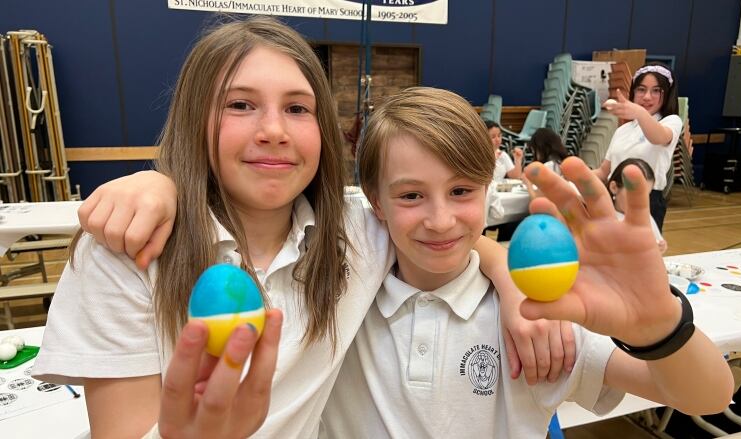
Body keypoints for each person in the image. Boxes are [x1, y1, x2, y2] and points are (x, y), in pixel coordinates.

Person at [33, 16, 570, 439]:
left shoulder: (357, 235)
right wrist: (161, 182)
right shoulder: (126, 253)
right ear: (196, 118)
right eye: (240, 105)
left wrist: (508, 277)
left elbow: (444, 226)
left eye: (297, 108)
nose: (272, 130)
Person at [321, 88, 732, 437]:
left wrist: (658, 328)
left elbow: (709, 396)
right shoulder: (337, 289)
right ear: (375, 202)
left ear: (488, 188)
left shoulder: (538, 318)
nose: (441, 220)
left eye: (462, 190)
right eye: (411, 195)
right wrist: (497, 260)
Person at [594, 63, 682, 231]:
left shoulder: (670, 122)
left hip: (647, 201)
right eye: (641, 89)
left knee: (640, 254)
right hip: (614, 198)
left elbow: (658, 137)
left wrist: (638, 112)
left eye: (656, 91)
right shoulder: (622, 130)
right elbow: (604, 172)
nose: (647, 97)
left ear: (668, 94)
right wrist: (570, 177)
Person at [608, 158, 668, 254]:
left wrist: (660, 247)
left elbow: (656, 241)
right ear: (614, 187)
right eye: (633, 194)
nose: (639, 200)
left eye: (645, 195)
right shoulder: (604, 219)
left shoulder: (645, 217)